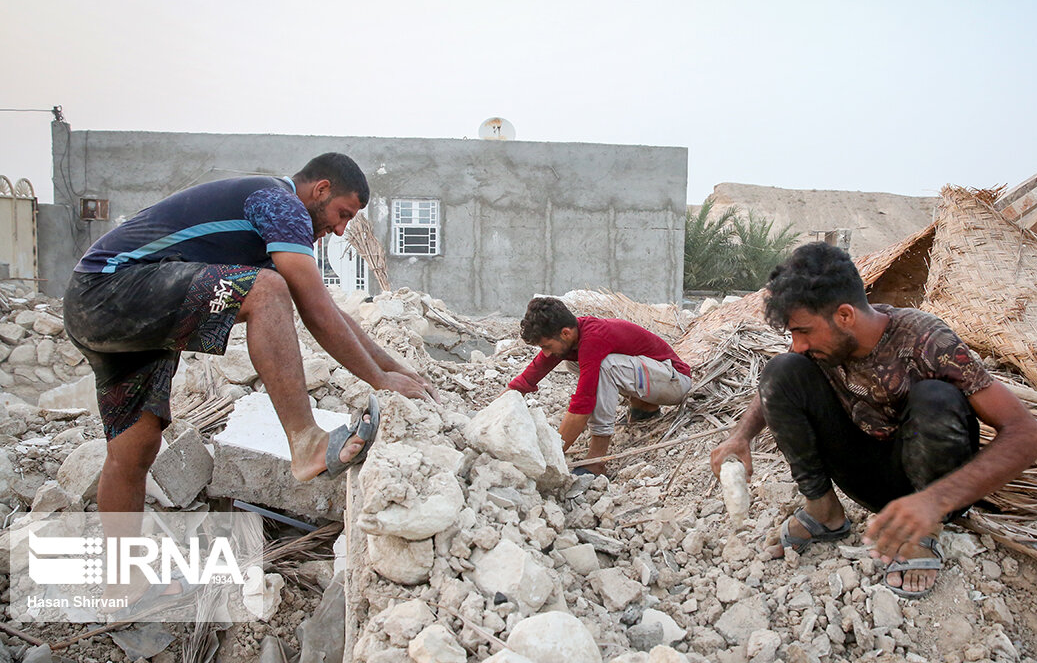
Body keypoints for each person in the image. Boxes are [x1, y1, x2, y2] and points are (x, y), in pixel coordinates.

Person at [64, 153, 438, 529]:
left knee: (134, 451)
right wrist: (379, 380)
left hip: (107, 309)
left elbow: (330, 310)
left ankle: (123, 581)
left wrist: (396, 370)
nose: (341, 230)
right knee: (266, 291)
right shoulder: (280, 203)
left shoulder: (270, 232)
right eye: (343, 214)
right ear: (321, 189)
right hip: (110, 289)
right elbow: (316, 310)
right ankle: (307, 442)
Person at [710, 242, 1037, 598]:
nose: (798, 344)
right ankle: (823, 511)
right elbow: (777, 389)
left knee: (936, 397)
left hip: (934, 491)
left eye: (803, 331)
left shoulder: (928, 340)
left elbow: (1028, 435)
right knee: (782, 370)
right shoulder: (825, 346)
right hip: (867, 477)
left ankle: (924, 532)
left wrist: (935, 500)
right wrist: (741, 436)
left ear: (844, 315)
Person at [508, 296, 692, 475]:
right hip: (656, 381)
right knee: (573, 362)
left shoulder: (593, 339)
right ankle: (644, 410)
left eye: (546, 346)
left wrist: (553, 453)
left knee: (607, 366)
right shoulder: (573, 335)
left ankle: (596, 460)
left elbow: (583, 404)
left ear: (565, 333)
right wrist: (493, 413)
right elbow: (528, 378)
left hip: (676, 383)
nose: (546, 353)